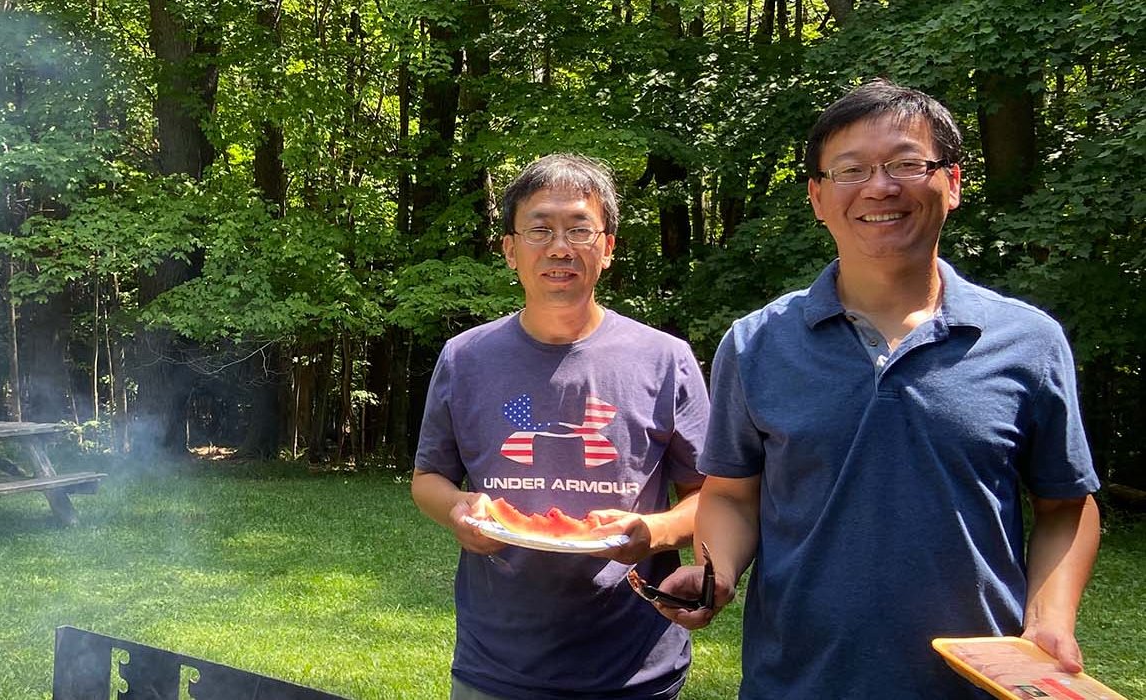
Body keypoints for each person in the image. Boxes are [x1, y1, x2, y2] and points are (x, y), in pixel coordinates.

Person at [650, 80, 1103, 699]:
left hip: (975, 685)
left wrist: (1050, 621)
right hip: (797, 683)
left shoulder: (1028, 340)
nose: (879, 187)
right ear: (817, 196)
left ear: (953, 183)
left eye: (906, 164)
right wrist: (717, 570)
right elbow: (731, 496)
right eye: (850, 169)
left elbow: (1065, 506)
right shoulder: (756, 343)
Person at [411, 153, 711, 700]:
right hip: (495, 664)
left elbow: (708, 494)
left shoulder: (665, 358)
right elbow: (428, 477)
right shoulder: (465, 357)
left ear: (609, 248)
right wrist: (458, 510)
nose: (559, 247)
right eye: (540, 230)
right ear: (510, 249)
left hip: (635, 665)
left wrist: (655, 533)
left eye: (580, 229)